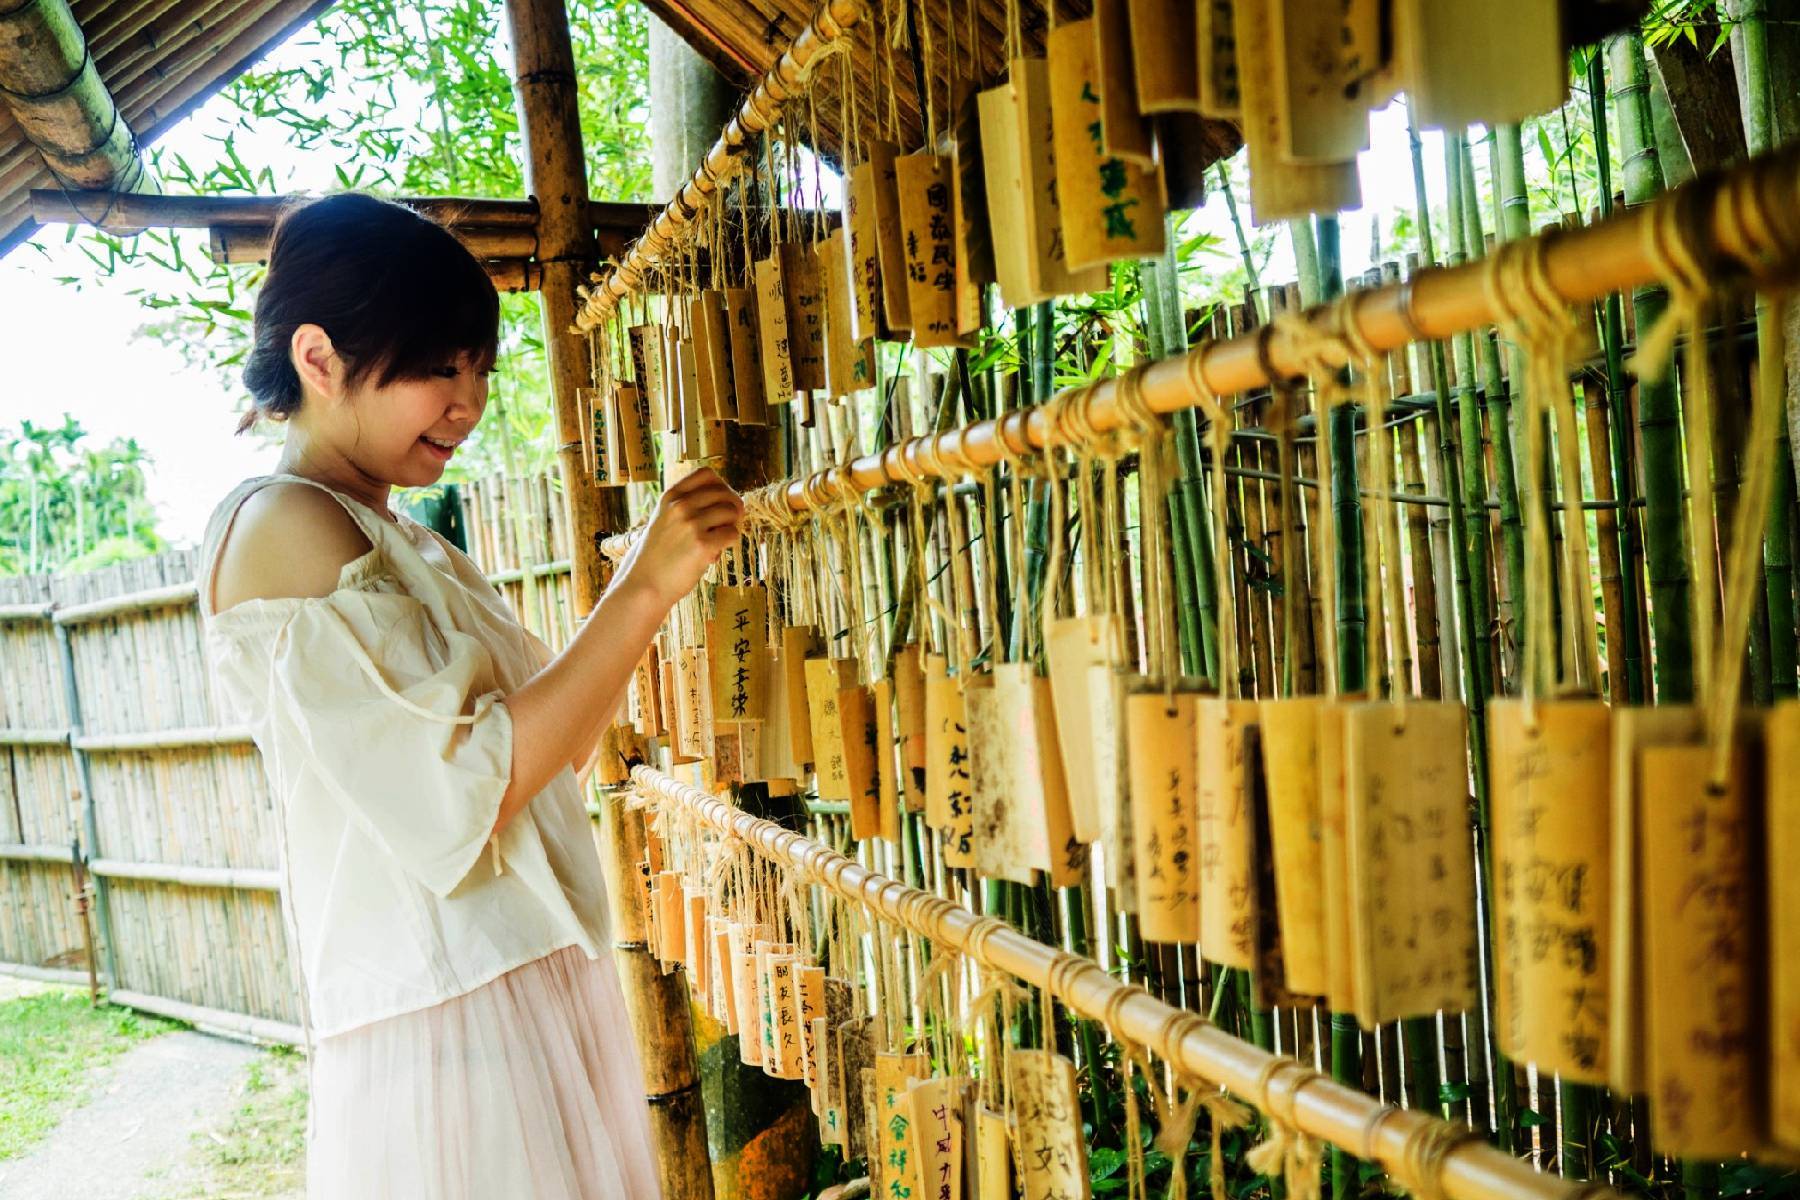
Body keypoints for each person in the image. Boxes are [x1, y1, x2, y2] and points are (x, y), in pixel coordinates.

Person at [198, 193, 743, 1199]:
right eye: (438, 367)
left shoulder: (400, 537)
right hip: (448, 1016)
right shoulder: (284, 524)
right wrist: (646, 586)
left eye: (480, 368)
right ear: (318, 361)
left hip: (520, 983)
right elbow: (468, 788)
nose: (468, 402)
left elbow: (555, 753)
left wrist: (653, 596)